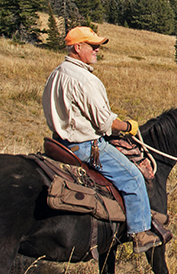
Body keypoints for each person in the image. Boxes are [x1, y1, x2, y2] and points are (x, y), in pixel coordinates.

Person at [42, 26, 161, 253]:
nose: (97, 50)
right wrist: (128, 126)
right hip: (87, 147)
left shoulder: (56, 74)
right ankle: (140, 233)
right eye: (93, 46)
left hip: (60, 143)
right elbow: (106, 124)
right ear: (77, 47)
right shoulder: (85, 80)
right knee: (134, 178)